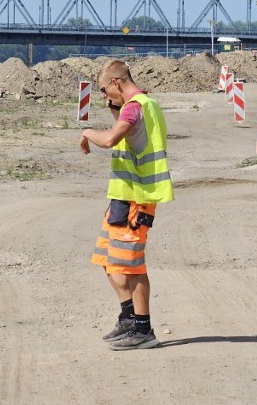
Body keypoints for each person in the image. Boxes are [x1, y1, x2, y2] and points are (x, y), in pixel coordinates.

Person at [79, 59, 174, 350]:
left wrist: (86, 133)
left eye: (105, 89)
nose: (105, 95)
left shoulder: (136, 106)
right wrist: (113, 111)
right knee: (109, 260)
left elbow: (109, 140)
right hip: (123, 195)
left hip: (137, 198)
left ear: (117, 82)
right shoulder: (145, 105)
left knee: (132, 265)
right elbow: (129, 137)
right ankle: (128, 317)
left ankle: (143, 329)